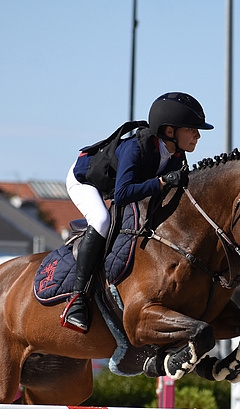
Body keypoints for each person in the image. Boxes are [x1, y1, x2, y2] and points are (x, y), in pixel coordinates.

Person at [62, 92, 213, 333]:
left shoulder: (176, 154)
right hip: (85, 180)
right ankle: (77, 299)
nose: (198, 135)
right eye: (192, 129)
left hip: (117, 184)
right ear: (170, 131)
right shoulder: (135, 148)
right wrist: (162, 182)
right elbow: (122, 195)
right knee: (102, 220)